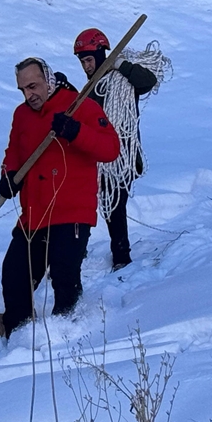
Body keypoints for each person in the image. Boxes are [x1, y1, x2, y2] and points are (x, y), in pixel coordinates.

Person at [0, 58, 119, 335]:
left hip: (71, 211)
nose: (29, 95)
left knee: (64, 276)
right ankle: (18, 336)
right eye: (23, 90)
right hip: (34, 215)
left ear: (49, 80)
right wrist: (9, 175)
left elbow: (110, 149)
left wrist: (76, 132)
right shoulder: (22, 115)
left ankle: (67, 334)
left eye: (33, 86)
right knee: (15, 276)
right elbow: (14, 151)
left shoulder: (81, 106)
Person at [74, 28, 157, 270]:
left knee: (115, 204)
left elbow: (148, 81)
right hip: (97, 155)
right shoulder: (91, 90)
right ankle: (78, 251)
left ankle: (121, 256)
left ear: (102, 55)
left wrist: (121, 65)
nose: (86, 67)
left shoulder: (123, 81)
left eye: (89, 60)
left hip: (124, 156)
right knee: (86, 202)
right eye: (82, 62)